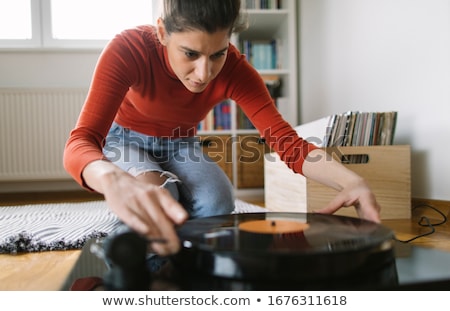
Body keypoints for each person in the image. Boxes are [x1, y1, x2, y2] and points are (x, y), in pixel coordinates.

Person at [63, 0, 381, 258]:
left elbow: (288, 144)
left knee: (218, 201)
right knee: (161, 192)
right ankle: (123, 245)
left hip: (179, 142)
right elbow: (82, 141)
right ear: (162, 32)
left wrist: (353, 181)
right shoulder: (128, 49)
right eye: (190, 54)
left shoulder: (236, 71)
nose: (204, 73)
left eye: (218, 53)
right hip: (124, 139)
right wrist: (111, 177)